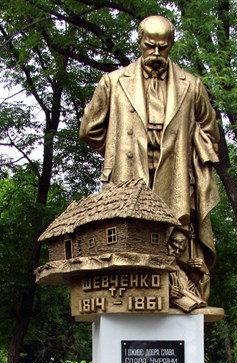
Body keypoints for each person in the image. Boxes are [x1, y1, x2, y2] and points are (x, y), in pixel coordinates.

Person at [79, 15, 220, 271]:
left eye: (162, 46)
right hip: (127, 175)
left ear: (171, 45)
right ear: (140, 41)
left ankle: (178, 290)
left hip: (174, 177)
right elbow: (89, 130)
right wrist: (120, 148)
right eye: (150, 45)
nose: (156, 52)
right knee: (127, 241)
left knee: (173, 243)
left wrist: (192, 154)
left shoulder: (192, 86)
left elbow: (210, 133)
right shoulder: (113, 82)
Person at [167, 230, 209, 311]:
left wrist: (205, 273)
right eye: (173, 247)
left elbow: (200, 298)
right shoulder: (151, 268)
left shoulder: (180, 273)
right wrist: (165, 293)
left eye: (181, 250)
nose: (177, 252)